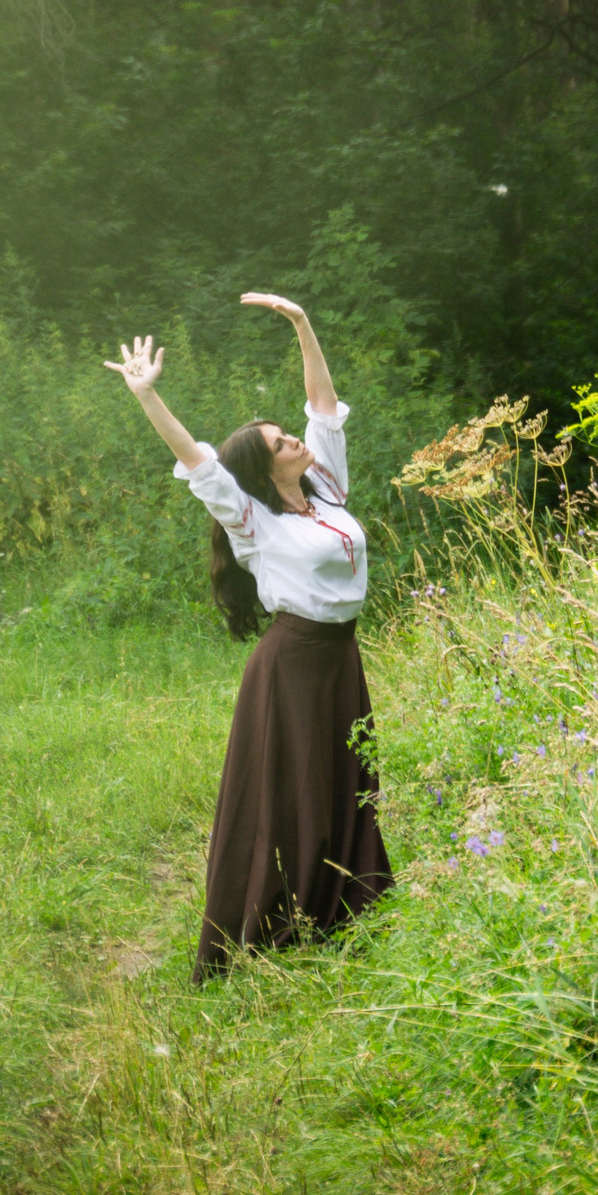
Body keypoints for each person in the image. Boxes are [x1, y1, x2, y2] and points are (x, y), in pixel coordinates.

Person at [104, 294, 394, 981]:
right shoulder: (252, 521)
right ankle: (270, 928)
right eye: (278, 443)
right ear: (264, 471)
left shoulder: (325, 487)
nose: (294, 439)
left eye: (289, 436)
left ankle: (342, 912)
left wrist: (301, 324)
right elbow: (199, 461)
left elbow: (323, 405)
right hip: (291, 662)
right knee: (287, 791)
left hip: (339, 658)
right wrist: (149, 397)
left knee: (341, 780)